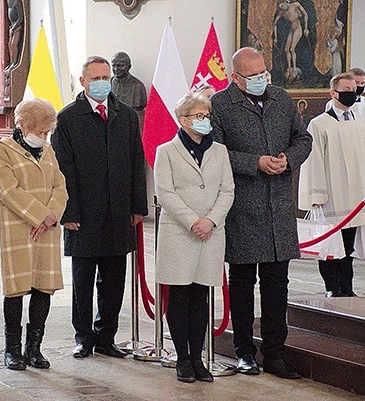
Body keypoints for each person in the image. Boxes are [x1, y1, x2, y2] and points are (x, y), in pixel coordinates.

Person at [210, 47, 312, 379]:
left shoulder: (281, 99)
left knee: (276, 285)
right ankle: (244, 352)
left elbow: (303, 138)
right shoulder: (220, 106)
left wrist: (289, 159)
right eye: (252, 76)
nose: (260, 80)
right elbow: (214, 153)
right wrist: (253, 162)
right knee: (241, 283)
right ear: (235, 77)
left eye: (263, 73)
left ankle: (275, 353)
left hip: (279, 208)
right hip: (242, 207)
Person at [52, 55, 148, 359]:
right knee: (83, 281)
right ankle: (83, 336)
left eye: (105, 77)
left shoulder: (126, 116)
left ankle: (107, 337)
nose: (102, 83)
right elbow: (62, 169)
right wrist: (69, 213)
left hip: (119, 211)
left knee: (114, 279)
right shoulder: (67, 118)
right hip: (83, 213)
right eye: (95, 79)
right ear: (83, 82)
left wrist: (138, 206)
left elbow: (136, 164)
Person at [154, 93, 234, 383]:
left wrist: (211, 220)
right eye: (198, 116)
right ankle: (182, 359)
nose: (204, 121)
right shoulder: (167, 151)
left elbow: (227, 190)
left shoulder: (220, 151)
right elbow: (166, 193)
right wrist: (193, 222)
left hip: (211, 232)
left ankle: (198, 358)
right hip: (180, 232)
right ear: (184, 120)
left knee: (201, 295)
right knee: (179, 294)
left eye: (207, 115)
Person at [0, 98, 68, 370]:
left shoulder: (48, 151)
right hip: (19, 227)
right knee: (16, 288)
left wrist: (50, 216)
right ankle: (12, 349)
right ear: (22, 125)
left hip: (45, 230)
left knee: (42, 286)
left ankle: (34, 348)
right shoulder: (3, 151)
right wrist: (39, 214)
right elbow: (8, 190)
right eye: (39, 131)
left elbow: (60, 186)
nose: (43, 137)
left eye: (47, 132)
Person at [299, 72, 365, 298]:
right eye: (345, 90)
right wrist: (316, 195)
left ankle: (347, 288)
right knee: (329, 245)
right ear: (333, 93)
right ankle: (332, 287)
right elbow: (313, 160)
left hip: (355, 196)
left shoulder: (360, 122)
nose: (351, 94)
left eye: (353, 89)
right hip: (330, 195)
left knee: (348, 246)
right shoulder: (319, 124)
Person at [272, 0, 309, 81]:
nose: (282, 8)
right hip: (291, 30)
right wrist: (275, 37)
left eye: (282, 6)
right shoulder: (282, 12)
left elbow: (305, 14)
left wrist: (306, 28)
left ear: (285, 2)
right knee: (286, 49)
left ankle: (294, 68)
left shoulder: (295, 5)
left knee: (292, 49)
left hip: (298, 28)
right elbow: (274, 24)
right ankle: (289, 68)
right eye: (280, 7)